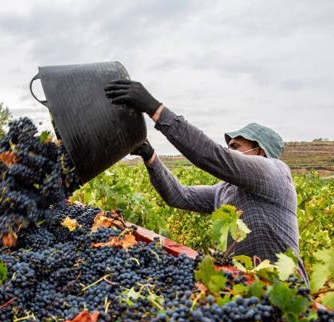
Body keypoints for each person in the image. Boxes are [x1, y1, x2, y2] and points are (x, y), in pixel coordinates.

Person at [104, 79, 307, 283]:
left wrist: (156, 110)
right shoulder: (224, 191)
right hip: (246, 291)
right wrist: (150, 157)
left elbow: (214, 156)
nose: (229, 151)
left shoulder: (275, 173)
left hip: (287, 291)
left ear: (260, 151)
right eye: (229, 147)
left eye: (235, 146)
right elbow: (179, 196)